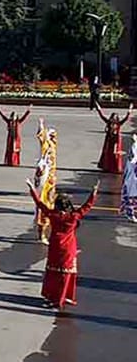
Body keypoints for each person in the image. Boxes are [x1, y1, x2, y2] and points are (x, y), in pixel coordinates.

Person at [27, 178, 98, 310]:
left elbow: (40, 204)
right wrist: (93, 193)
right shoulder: (73, 217)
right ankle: (65, 296)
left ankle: (53, 296)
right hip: (69, 248)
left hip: (55, 246)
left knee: (53, 273)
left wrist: (32, 189)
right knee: (66, 274)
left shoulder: (53, 215)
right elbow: (87, 207)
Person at [95, 102, 132, 173]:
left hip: (116, 140)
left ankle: (116, 168)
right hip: (109, 140)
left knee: (115, 154)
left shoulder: (119, 123)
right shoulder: (109, 122)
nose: (113, 119)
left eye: (115, 117)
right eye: (113, 117)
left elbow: (126, 118)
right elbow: (102, 116)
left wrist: (129, 110)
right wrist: (98, 108)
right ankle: (107, 167)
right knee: (108, 153)